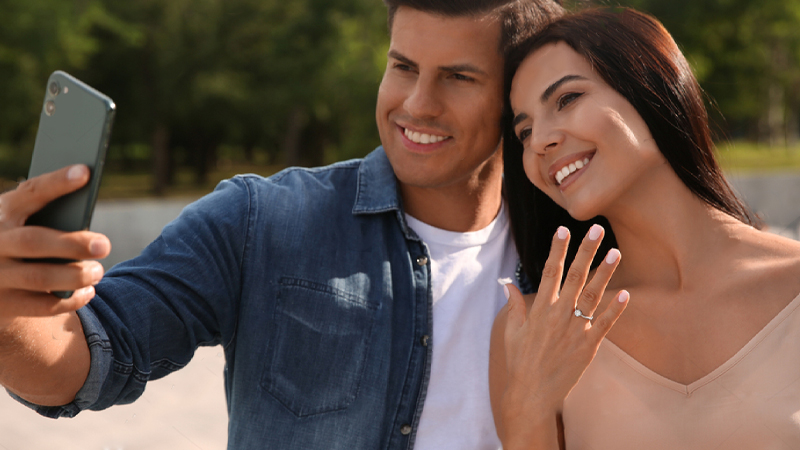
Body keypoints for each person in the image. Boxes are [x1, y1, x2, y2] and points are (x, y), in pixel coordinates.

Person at [0, 0, 564, 449]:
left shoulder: (572, 250)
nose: (417, 104)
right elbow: (91, 361)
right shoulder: (260, 219)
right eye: (403, 67)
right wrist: (10, 318)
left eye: (458, 78)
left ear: (515, 97)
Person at [489, 7, 800, 450]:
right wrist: (528, 407)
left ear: (652, 86)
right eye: (524, 132)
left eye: (566, 99)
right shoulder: (534, 332)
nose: (539, 141)